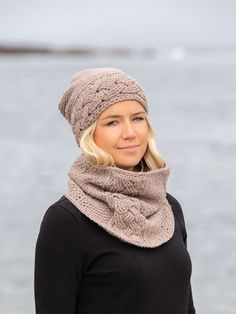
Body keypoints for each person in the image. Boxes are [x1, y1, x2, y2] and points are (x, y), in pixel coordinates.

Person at [34, 67, 196, 314]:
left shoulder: (169, 207)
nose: (130, 133)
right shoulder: (66, 222)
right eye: (112, 122)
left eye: (138, 118)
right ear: (88, 134)